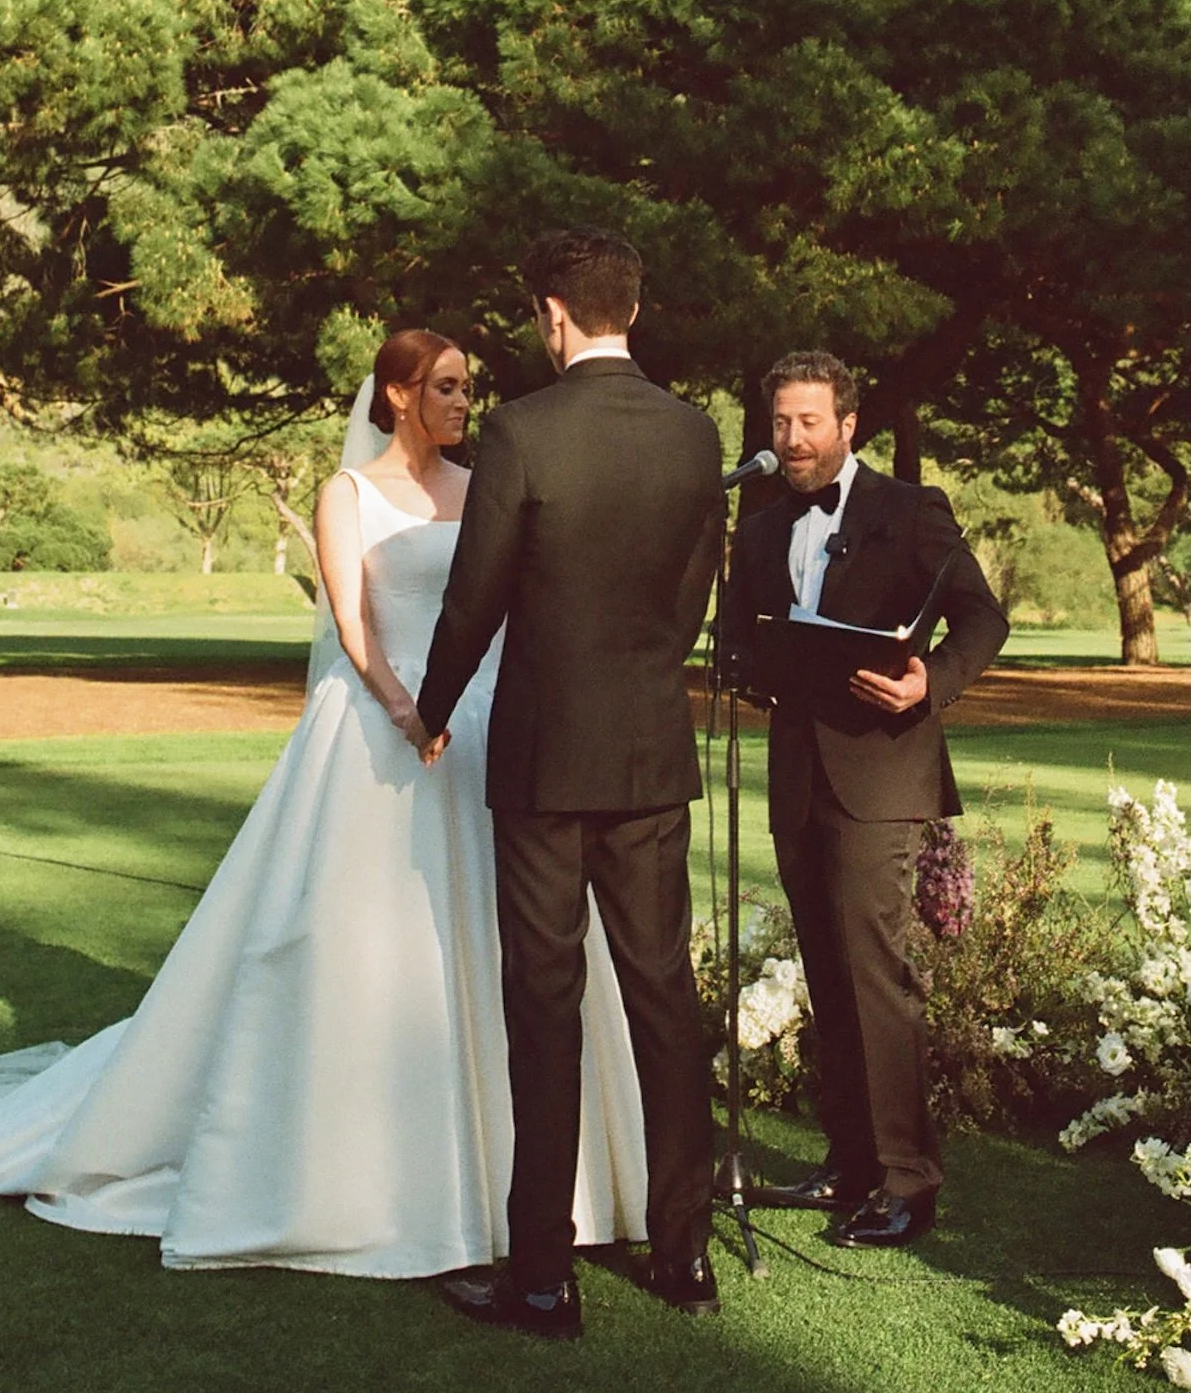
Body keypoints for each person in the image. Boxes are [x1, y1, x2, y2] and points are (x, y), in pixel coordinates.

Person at [0, 329, 649, 1277]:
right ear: (396, 395)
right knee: (355, 937)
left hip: (486, 729)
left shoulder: (487, 488)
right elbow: (351, 620)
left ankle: (533, 1177)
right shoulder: (346, 495)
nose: (468, 402)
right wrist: (406, 710)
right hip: (387, 727)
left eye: (469, 387)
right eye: (448, 387)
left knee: (513, 937)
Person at [416, 227, 724, 1341]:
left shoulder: (521, 429)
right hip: (648, 754)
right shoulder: (696, 435)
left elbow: (473, 597)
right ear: (627, 312)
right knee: (664, 1000)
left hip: (544, 762)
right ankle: (683, 1256)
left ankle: (541, 1278)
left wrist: (432, 708)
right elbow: (693, 598)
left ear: (554, 314)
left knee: (542, 1009)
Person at [724, 349, 1008, 1248]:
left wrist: (931, 683)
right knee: (827, 972)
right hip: (796, 773)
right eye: (779, 423)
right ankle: (848, 1162)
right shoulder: (761, 523)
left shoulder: (908, 509)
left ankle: (906, 1181)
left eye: (808, 422)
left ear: (848, 425)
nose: (792, 438)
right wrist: (747, 664)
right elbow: (740, 635)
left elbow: (982, 615)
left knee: (874, 974)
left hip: (881, 773)